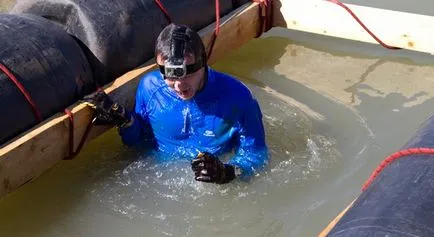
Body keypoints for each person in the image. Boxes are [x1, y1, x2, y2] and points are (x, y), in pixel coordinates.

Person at [84, 23, 268, 184]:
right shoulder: (150, 88)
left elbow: (257, 155)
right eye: (170, 77)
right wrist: (126, 121)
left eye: (186, 73)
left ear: (202, 61)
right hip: (154, 175)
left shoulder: (238, 98)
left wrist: (227, 172)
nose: (179, 85)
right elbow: (140, 142)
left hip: (209, 185)